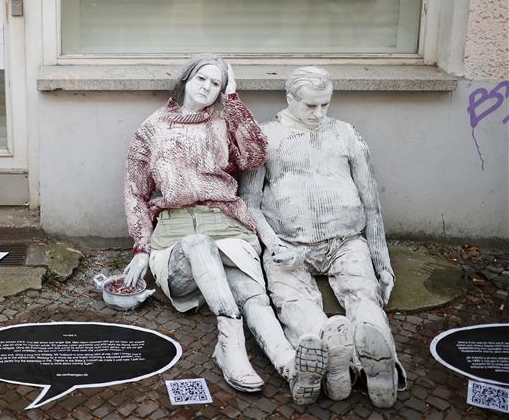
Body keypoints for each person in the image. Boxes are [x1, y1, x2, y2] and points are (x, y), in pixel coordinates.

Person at [122, 54, 325, 398]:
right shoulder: (152, 129)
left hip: (227, 225)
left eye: (216, 83)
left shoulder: (222, 120)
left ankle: (289, 365)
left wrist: (232, 100)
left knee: (253, 297)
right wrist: (142, 248)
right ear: (186, 79)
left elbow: (255, 157)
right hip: (177, 238)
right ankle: (230, 346)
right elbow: (135, 191)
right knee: (199, 244)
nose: (207, 87)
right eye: (202, 78)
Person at [239, 66, 407, 408]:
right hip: (288, 244)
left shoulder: (346, 134)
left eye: (325, 105)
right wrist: (273, 245)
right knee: (293, 300)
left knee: (364, 294)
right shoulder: (266, 137)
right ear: (290, 99)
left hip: (345, 241)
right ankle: (326, 349)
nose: (319, 114)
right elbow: (250, 204)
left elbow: (372, 205)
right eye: (310, 106)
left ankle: (377, 361)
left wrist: (383, 264)